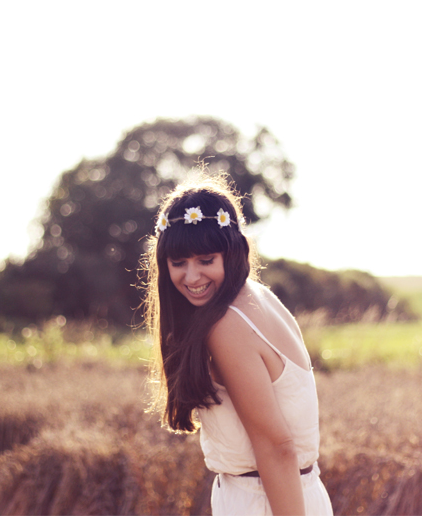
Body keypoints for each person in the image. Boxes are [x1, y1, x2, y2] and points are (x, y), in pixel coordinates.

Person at [143, 174, 333, 515]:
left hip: (265, 501)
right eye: (178, 263)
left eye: (206, 260)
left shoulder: (227, 325)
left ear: (231, 253)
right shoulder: (257, 297)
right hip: (292, 493)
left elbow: (277, 448)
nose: (191, 277)